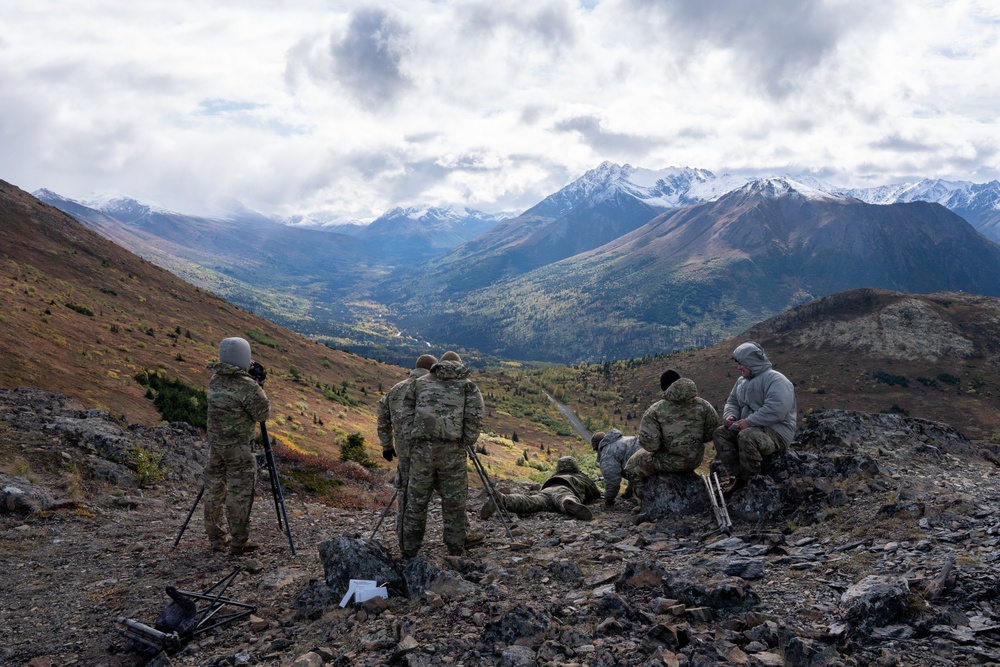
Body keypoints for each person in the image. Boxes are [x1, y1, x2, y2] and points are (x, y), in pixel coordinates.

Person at [400, 351, 485, 557]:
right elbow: (475, 417)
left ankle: (410, 549)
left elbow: (405, 412)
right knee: (454, 500)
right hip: (452, 450)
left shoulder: (419, 383)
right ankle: (455, 547)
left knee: (416, 500)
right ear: (459, 364)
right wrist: (465, 441)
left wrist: (413, 438)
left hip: (422, 450)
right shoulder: (468, 386)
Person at [203, 337, 270, 555]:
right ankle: (239, 541)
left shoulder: (216, 379)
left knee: (214, 490)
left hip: (216, 446)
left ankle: (216, 538)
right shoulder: (246, 386)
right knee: (239, 492)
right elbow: (262, 414)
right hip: (238, 448)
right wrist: (258, 385)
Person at [713, 342, 797, 494]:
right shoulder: (741, 381)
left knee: (746, 436)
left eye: (742, 364)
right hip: (752, 428)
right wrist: (730, 416)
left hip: (776, 433)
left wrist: (749, 421)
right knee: (720, 433)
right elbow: (732, 402)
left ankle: (752, 482)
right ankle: (739, 476)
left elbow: (777, 410)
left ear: (752, 363)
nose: (739, 367)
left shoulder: (777, 380)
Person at [623, 370, 718, 500]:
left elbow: (650, 445)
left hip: (669, 462)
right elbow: (710, 433)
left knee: (631, 467)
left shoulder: (656, 410)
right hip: (695, 460)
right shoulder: (704, 405)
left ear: (664, 387)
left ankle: (644, 500)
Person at [376, 354, 437, 551]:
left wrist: (386, 445)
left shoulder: (396, 389)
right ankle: (458, 536)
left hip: (405, 453)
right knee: (440, 492)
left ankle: (404, 541)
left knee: (405, 495)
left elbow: (383, 419)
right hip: (432, 452)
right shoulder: (432, 388)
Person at [480, 456, 600, 521]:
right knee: (563, 498)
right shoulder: (580, 476)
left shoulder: (554, 475)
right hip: (565, 489)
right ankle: (569, 503)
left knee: (532, 501)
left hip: (547, 490)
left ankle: (504, 499)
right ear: (575, 466)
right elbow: (595, 493)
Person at [593, 429, 641, 505]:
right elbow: (632, 471)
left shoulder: (607, 451)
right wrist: (628, 492)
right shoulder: (625, 440)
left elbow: (613, 480)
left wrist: (609, 499)